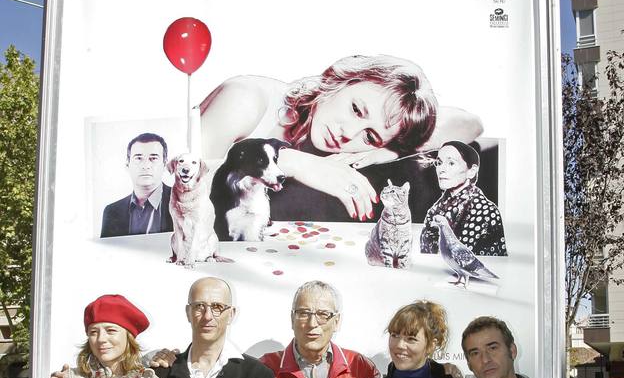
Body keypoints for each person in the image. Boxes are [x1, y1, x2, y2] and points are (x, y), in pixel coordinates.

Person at [200, 55, 483, 221]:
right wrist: (287, 160)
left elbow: (470, 124)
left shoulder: (355, 144)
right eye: (356, 109)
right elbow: (181, 187)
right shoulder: (247, 100)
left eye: (369, 135)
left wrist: (391, 150)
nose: (349, 133)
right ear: (340, 80)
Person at [420, 141, 507, 257]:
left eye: (451, 163)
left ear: (471, 171)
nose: (441, 169)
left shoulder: (485, 210)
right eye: (439, 163)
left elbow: (465, 259)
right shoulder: (434, 210)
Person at [100, 132, 173, 238]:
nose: (146, 166)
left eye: (153, 158)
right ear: (127, 165)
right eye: (138, 158)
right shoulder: (111, 212)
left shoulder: (185, 203)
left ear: (164, 164)